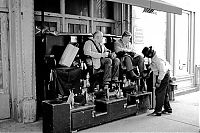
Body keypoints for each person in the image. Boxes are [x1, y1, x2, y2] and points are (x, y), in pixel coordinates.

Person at [142, 46, 172, 116]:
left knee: (159, 92)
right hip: (165, 73)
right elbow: (155, 66)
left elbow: (162, 71)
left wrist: (158, 81)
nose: (147, 57)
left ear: (149, 54)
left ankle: (158, 111)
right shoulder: (154, 56)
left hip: (164, 75)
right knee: (164, 92)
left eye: (147, 56)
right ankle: (168, 109)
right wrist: (149, 68)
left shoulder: (157, 59)